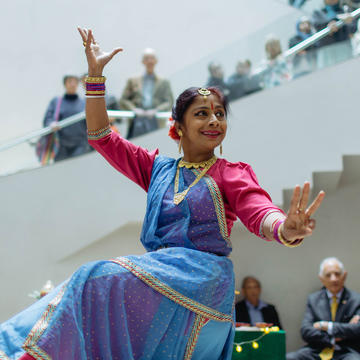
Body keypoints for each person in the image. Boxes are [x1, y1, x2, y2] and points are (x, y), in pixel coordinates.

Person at [0, 27, 325, 360]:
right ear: (178, 126)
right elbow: (100, 136)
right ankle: (10, 345)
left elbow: (259, 210)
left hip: (202, 280)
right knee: (86, 290)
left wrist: (284, 227)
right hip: (160, 274)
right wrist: (95, 79)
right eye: (202, 113)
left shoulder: (230, 173)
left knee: (92, 277)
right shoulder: (157, 169)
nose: (214, 120)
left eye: (219, 114)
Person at [287, 257, 360, 360]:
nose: (333, 279)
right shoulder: (313, 299)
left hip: (346, 351)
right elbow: (306, 331)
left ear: (344, 276)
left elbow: (357, 329)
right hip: (318, 349)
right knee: (290, 358)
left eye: (337, 274)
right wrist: (334, 337)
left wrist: (326, 326)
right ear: (321, 279)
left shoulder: (356, 300)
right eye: (328, 275)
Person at [119, 48, 173, 139]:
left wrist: (156, 110)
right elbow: (123, 100)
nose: (150, 61)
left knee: (156, 145)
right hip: (137, 120)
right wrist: (134, 109)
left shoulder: (164, 82)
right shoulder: (132, 81)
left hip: (156, 120)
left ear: (156, 61)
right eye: (147, 58)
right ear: (143, 61)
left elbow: (169, 102)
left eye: (152, 58)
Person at [42, 75, 88, 162]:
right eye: (70, 81)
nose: (73, 84)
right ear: (65, 84)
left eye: (75, 82)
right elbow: (47, 119)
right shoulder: (56, 102)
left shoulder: (84, 103)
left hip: (80, 145)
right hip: (60, 146)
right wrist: (51, 124)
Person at [312, 0, 357, 69]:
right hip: (328, 52)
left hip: (345, 48)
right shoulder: (318, 12)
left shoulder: (345, 9)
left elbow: (353, 28)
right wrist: (338, 20)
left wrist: (341, 21)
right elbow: (319, 26)